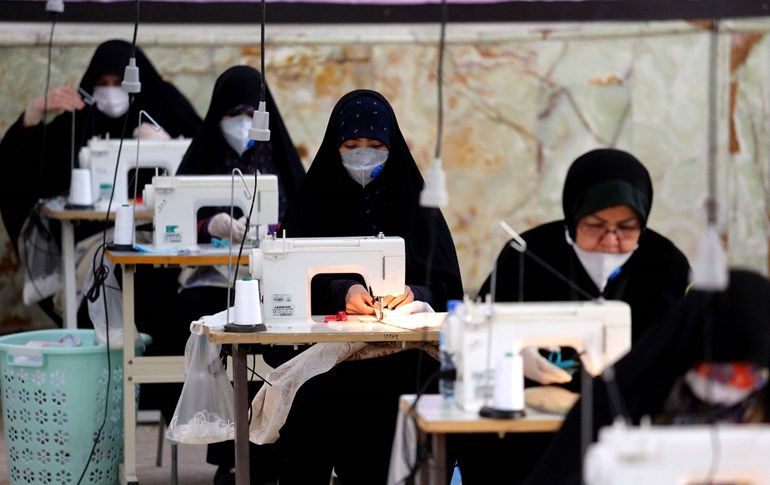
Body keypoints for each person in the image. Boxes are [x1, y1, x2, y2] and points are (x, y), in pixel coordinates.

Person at [258, 89, 464, 484]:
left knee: (424, 386)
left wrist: (413, 296)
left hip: (406, 353)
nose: (363, 155)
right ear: (335, 145)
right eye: (351, 145)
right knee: (317, 398)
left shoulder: (416, 201)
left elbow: (445, 283)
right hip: (331, 355)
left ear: (393, 147)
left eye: (375, 146)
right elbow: (292, 276)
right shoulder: (315, 199)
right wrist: (342, 291)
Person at [452, 148, 691, 484]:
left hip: (628, 421)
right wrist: (513, 356)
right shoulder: (526, 255)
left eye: (626, 227)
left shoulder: (664, 263)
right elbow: (481, 331)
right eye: (595, 226)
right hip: (529, 426)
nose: (610, 240)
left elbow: (673, 348)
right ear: (573, 215)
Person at [165, 65, 305, 485]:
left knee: (286, 341)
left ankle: (272, 450)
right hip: (212, 276)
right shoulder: (204, 154)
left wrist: (274, 232)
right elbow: (177, 215)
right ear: (217, 115)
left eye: (250, 112)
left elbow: (300, 215)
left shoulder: (276, 155)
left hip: (270, 280)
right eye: (233, 113)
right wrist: (213, 225)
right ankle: (230, 455)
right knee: (209, 327)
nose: (243, 122)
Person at [0, 39, 202, 326]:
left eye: (120, 81)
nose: (111, 90)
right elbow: (17, 172)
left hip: (165, 238)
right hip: (95, 242)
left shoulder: (164, 107)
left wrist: (171, 144)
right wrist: (33, 113)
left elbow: (206, 158)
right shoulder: (78, 122)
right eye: (103, 82)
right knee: (108, 270)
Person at [523, 268, 770, 484]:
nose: (726, 384)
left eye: (746, 376)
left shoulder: (762, 406)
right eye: (717, 372)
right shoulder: (617, 399)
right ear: (687, 349)